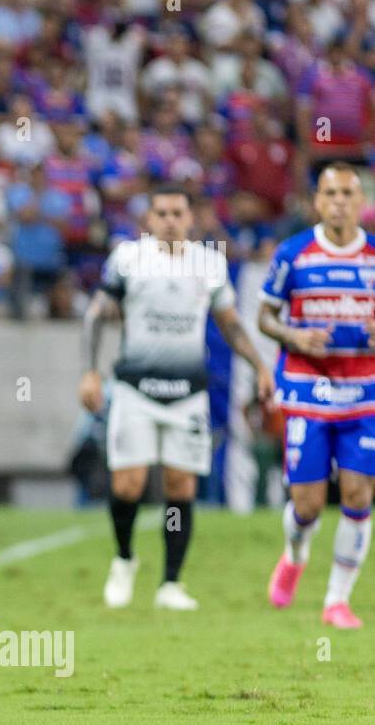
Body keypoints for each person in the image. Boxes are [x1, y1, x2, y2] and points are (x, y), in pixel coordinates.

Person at [80, 183, 274, 611]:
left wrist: (261, 366)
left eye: (177, 213)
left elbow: (230, 324)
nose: (169, 221)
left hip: (188, 393)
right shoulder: (129, 259)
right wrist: (90, 372)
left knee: (179, 486)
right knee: (127, 483)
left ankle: (170, 583)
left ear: (191, 218)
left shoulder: (208, 265)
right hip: (135, 387)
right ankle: (125, 557)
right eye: (161, 213)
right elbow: (95, 314)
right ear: (149, 220)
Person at [258, 163, 375, 628]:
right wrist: (294, 336)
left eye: (349, 193)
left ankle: (336, 601)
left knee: (357, 494)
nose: (341, 201)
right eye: (332, 193)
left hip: (364, 394)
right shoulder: (294, 253)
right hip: (308, 391)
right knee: (306, 505)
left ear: (360, 199)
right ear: (318, 201)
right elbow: (264, 315)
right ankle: (294, 553)